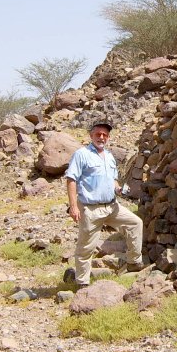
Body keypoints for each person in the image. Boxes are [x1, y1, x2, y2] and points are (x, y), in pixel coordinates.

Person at [64, 121, 144, 287]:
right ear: (91, 135)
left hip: (112, 206)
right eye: (98, 134)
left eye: (105, 135)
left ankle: (134, 262)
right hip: (90, 208)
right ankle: (82, 283)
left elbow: (113, 181)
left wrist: (119, 189)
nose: (101, 137)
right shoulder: (82, 154)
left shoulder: (109, 156)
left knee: (135, 223)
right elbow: (71, 179)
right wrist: (73, 206)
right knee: (86, 247)